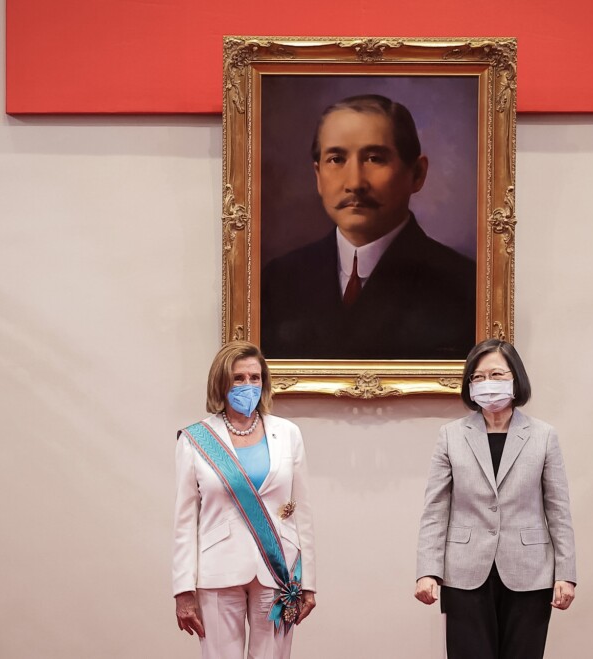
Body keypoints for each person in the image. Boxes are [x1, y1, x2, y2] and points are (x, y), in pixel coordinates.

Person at [260, 93, 476, 360]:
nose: (354, 182)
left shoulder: (464, 286)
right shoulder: (277, 281)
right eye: (336, 160)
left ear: (417, 174)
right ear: (318, 176)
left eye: (374, 158)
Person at [415, 339, 576, 659]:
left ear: (516, 379)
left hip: (530, 573)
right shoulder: (451, 436)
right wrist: (427, 570)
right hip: (464, 573)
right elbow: (435, 508)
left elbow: (558, 509)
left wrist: (566, 574)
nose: (488, 383)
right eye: (478, 377)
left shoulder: (544, 436)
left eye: (498, 375)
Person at [173, 341, 316, 659]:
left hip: (278, 570)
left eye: (255, 378)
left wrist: (309, 581)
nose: (248, 386)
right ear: (221, 382)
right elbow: (184, 522)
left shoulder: (288, 433)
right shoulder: (195, 440)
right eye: (239, 378)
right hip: (218, 571)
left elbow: (301, 511)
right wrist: (183, 589)